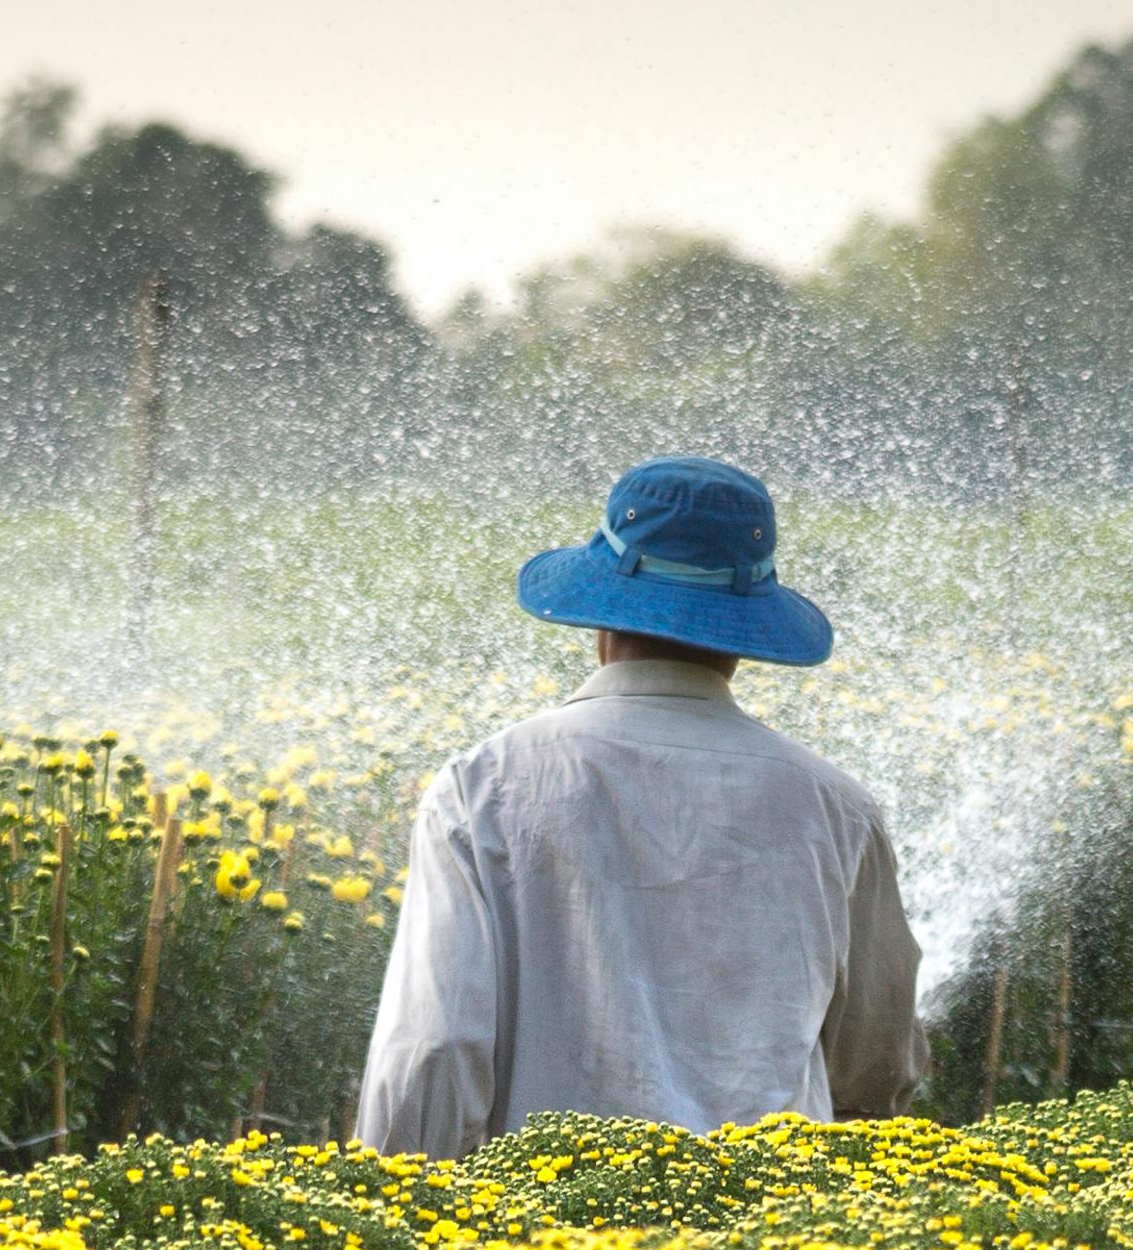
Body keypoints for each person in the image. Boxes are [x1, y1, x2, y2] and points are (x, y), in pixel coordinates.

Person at [348, 456, 926, 1157]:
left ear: (600, 620)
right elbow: (876, 1067)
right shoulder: (837, 811)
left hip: (527, 1235)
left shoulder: (484, 788)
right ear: (744, 636)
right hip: (769, 1240)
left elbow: (432, 1051)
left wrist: (406, 1219)